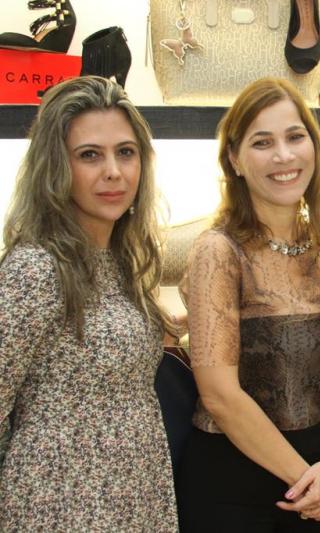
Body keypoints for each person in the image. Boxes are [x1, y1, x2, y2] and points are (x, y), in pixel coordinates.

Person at [176, 77, 320, 532]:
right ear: (235, 159)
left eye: (295, 137)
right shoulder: (218, 251)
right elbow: (220, 396)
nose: (283, 155)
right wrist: (308, 484)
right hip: (236, 486)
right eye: (262, 142)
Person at [0, 76, 178, 530]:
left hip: (133, 497)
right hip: (59, 506)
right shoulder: (35, 268)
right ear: (55, 167)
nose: (113, 171)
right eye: (89, 155)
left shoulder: (121, 260)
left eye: (125, 152)